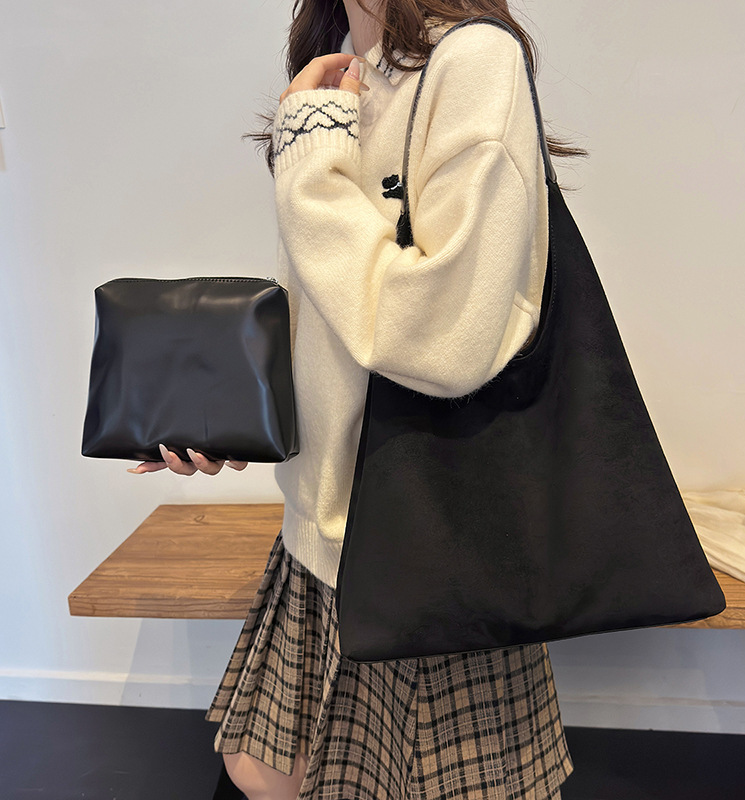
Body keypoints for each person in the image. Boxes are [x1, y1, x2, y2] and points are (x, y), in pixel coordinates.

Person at [129, 1, 585, 797]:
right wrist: (242, 421)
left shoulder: (472, 59)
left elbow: (446, 337)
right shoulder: (342, 63)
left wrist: (308, 160)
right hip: (320, 536)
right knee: (262, 773)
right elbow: (339, 316)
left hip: (428, 543)